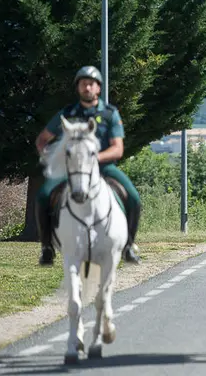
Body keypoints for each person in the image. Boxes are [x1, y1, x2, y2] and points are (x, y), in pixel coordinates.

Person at [34, 66, 142, 266]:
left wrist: (94, 158)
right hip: (71, 169)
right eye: (83, 83)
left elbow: (118, 149)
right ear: (78, 88)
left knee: (133, 197)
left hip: (103, 168)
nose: (87, 87)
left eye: (91, 84)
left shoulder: (110, 114)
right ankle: (47, 247)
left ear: (98, 88)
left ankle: (128, 246)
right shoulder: (67, 113)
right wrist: (50, 158)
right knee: (42, 196)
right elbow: (42, 140)